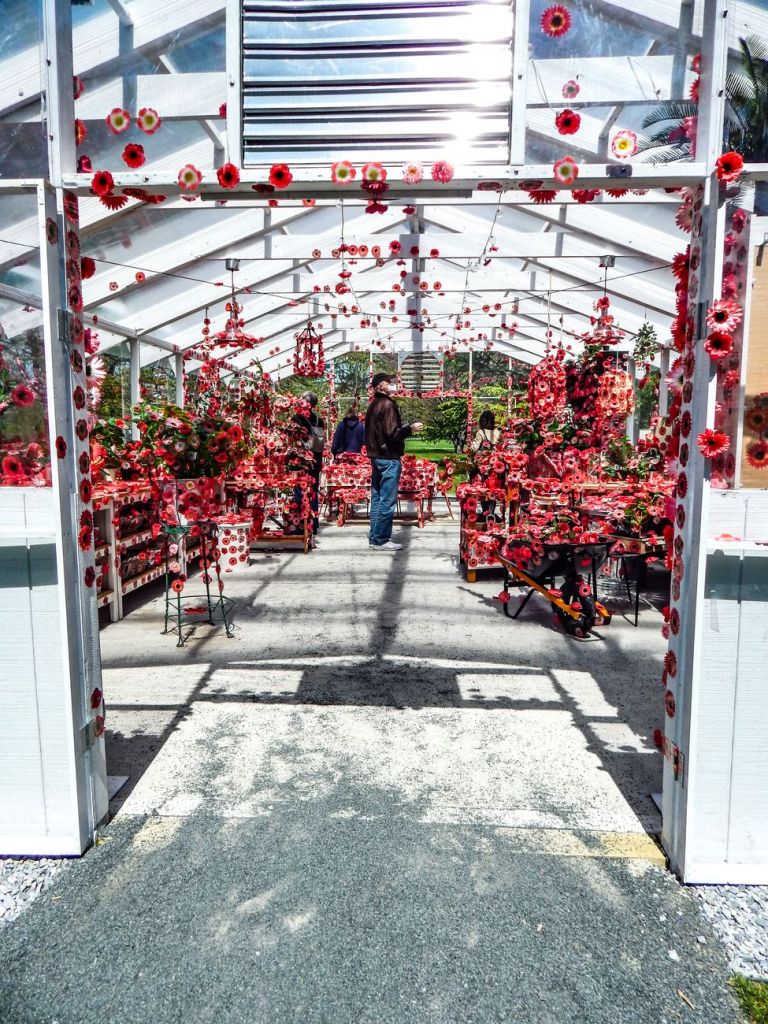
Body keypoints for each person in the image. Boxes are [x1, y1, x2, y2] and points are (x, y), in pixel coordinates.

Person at [364, 372, 423, 551]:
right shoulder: (387, 404)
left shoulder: (373, 405)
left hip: (376, 457)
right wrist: (410, 429)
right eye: (388, 382)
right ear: (380, 385)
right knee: (387, 500)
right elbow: (393, 433)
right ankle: (381, 539)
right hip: (388, 457)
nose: (391, 384)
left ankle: (375, 537)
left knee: (377, 498)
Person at [293, 391, 325, 536]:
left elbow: (293, 439)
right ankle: (314, 524)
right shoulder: (319, 420)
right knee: (313, 490)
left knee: (300, 489)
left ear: (308, 403)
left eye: (302, 400)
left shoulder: (296, 419)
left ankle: (301, 523)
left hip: (300, 460)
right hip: (315, 459)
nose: (299, 401)